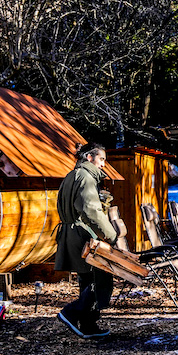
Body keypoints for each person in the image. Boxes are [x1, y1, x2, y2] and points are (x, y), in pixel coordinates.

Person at [55, 142, 120, 339]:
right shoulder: (85, 178)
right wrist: (111, 235)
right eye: (101, 159)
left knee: (87, 280)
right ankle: (71, 312)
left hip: (71, 233)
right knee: (101, 279)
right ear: (89, 158)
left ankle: (88, 325)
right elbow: (92, 212)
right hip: (83, 236)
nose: (103, 165)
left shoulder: (71, 176)